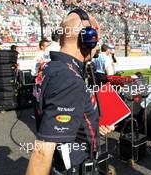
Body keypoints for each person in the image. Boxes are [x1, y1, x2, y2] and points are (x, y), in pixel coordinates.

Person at [26, 8, 114, 175]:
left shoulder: (52, 68)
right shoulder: (68, 78)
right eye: (96, 39)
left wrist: (92, 125)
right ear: (87, 39)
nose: (96, 46)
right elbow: (41, 152)